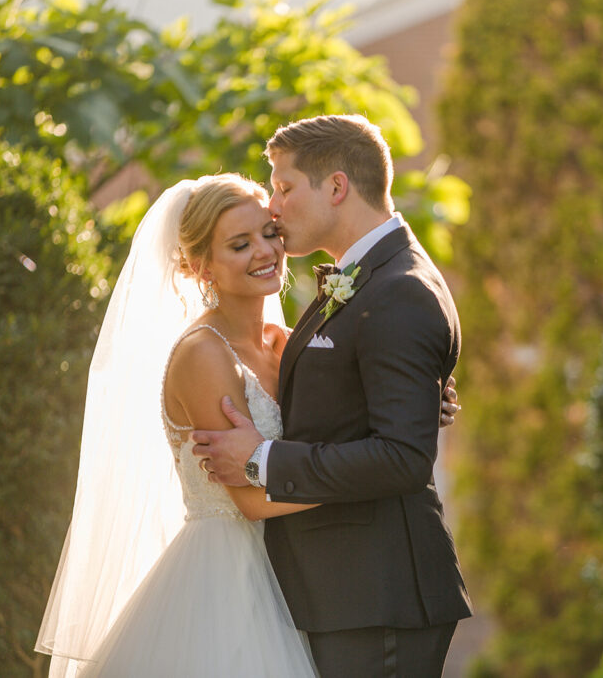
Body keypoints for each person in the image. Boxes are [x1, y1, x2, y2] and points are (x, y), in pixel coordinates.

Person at [35, 171, 460, 676]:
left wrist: (412, 406)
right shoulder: (203, 355)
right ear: (200, 267)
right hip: (230, 584)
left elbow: (339, 418)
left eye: (269, 234)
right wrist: (381, 462)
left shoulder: (288, 341)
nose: (265, 251)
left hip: (305, 576)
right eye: (239, 245)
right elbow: (252, 500)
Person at [193, 114, 472, 677]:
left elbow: (402, 457)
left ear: (337, 187)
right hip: (344, 592)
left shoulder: (398, 290)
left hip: (376, 595)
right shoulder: (366, 276)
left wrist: (260, 458)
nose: (274, 206)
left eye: (285, 187)